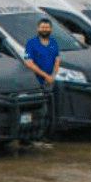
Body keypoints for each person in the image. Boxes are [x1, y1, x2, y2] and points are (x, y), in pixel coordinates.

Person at [20, 19, 59, 148]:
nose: (45, 29)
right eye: (42, 27)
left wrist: (53, 75)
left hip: (49, 82)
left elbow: (57, 59)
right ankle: (29, 138)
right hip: (36, 82)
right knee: (36, 110)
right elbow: (28, 63)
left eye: (47, 27)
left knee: (47, 111)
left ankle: (42, 136)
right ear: (38, 29)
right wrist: (45, 75)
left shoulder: (53, 42)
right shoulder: (32, 43)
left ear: (51, 29)